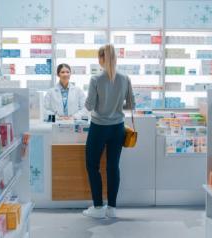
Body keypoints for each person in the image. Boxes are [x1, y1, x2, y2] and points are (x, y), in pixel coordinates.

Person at [83, 44, 135, 218]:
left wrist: (100, 102)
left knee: (92, 165)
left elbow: (89, 105)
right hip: (118, 128)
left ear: (101, 59)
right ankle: (112, 208)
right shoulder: (125, 78)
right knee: (113, 167)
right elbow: (132, 105)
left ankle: (98, 208)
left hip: (99, 128)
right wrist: (116, 104)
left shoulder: (96, 79)